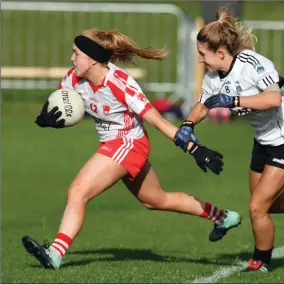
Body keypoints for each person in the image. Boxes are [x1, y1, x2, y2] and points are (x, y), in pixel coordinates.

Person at [21, 29, 243, 269]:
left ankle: (54, 253)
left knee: (78, 191)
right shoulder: (72, 80)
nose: (71, 58)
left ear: (93, 58)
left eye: (76, 53)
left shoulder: (120, 83)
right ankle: (223, 217)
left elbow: (158, 121)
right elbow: (67, 109)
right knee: (157, 200)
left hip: (128, 144)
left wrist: (195, 148)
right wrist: (46, 120)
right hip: (113, 145)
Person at [173, 8, 284, 272]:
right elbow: (203, 105)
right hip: (263, 140)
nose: (199, 59)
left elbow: (273, 99)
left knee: (256, 206)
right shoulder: (213, 78)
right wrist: (187, 125)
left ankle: (261, 260)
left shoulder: (252, 64)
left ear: (220, 52)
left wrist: (235, 100)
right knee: (266, 203)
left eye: (202, 53)